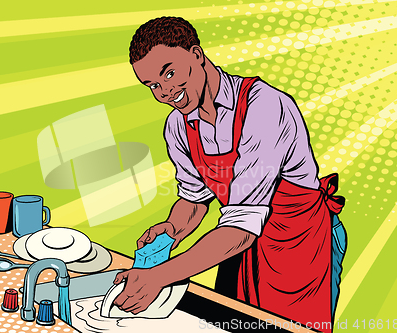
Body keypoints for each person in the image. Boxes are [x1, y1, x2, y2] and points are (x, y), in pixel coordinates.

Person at [112, 16, 345, 331]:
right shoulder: (178, 126)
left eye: (169, 73)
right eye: (152, 84)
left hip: (299, 246)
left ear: (196, 54)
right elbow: (195, 201)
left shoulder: (264, 106)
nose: (164, 91)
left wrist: (160, 275)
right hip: (238, 244)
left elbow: (242, 224)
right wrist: (171, 229)